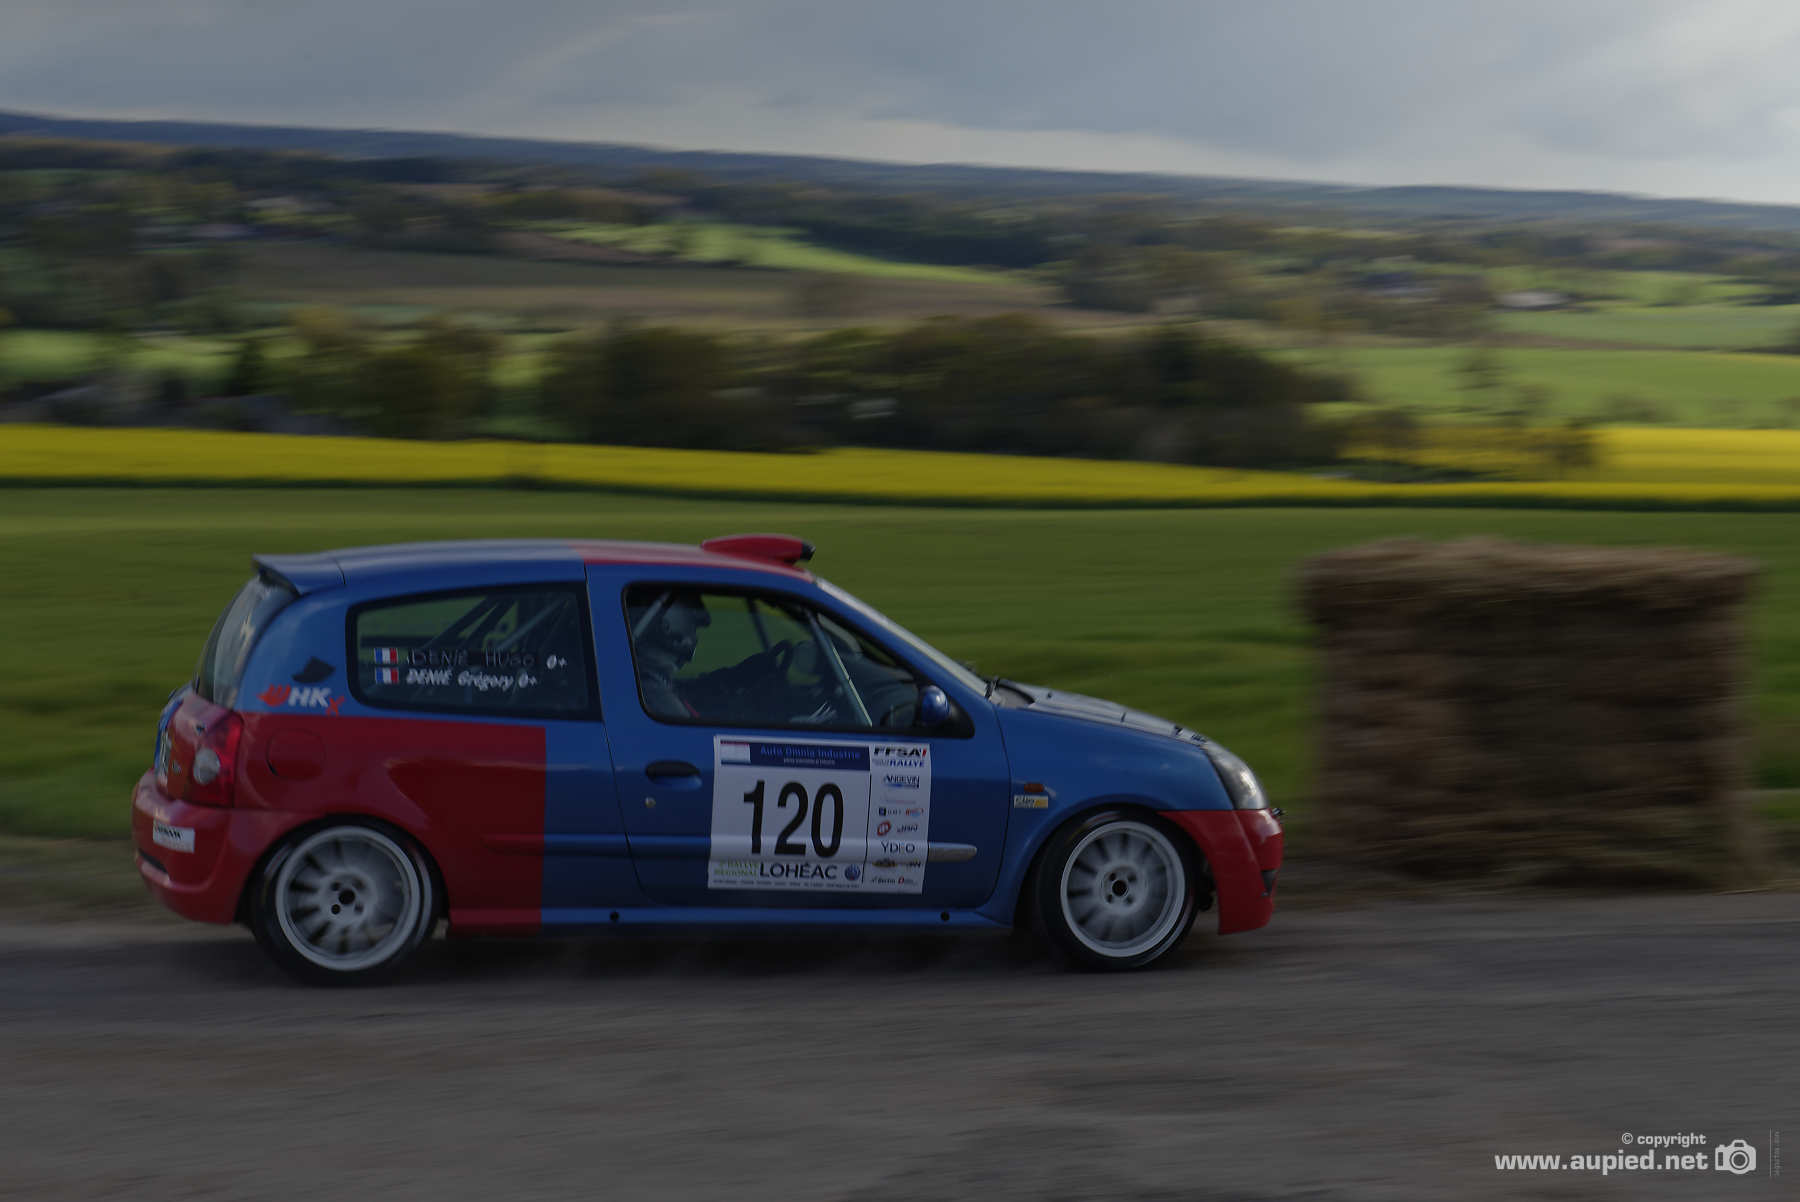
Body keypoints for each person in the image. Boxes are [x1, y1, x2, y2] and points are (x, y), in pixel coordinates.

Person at [633, 589, 711, 719]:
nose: (694, 638)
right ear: (668, 627)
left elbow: (695, 687)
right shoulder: (653, 690)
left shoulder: (651, 678)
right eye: (693, 628)